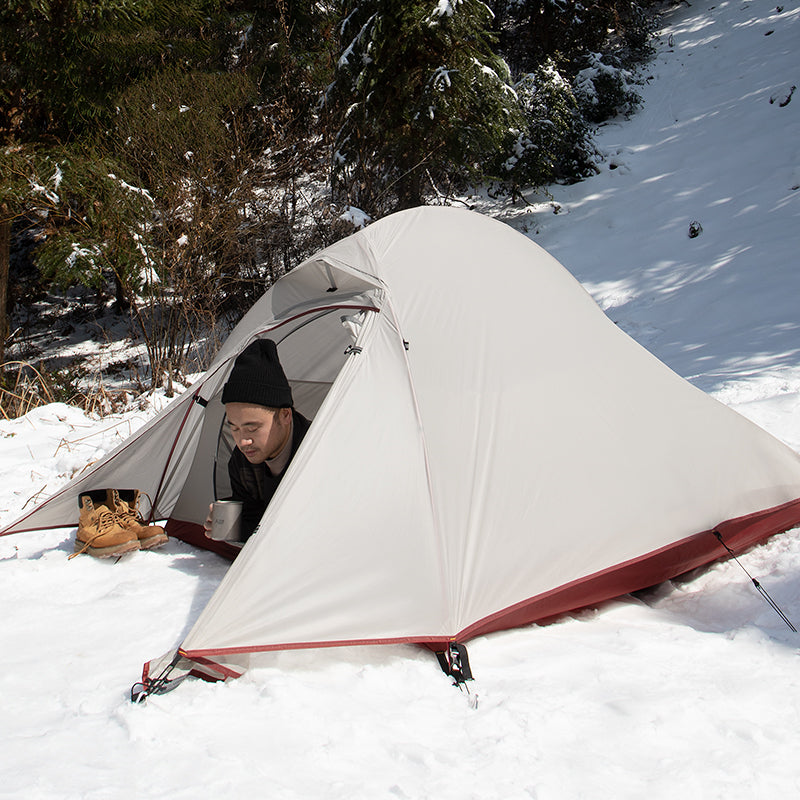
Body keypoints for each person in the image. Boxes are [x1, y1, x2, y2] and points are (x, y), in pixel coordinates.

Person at [204, 339, 311, 541]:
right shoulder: (241, 462)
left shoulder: (317, 449)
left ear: (285, 415)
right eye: (233, 428)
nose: (243, 442)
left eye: (252, 428)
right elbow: (255, 519)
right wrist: (232, 525)